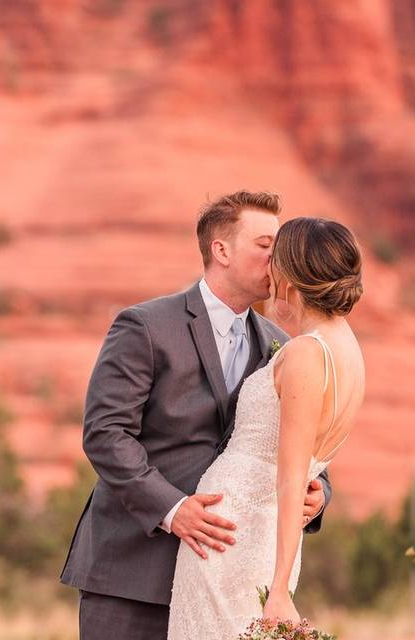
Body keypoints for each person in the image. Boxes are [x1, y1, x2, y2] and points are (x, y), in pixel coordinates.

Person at [59, 191, 332, 640]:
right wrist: (173, 509)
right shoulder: (145, 326)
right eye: (267, 245)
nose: (279, 259)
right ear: (220, 250)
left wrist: (320, 492)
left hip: (228, 584)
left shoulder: (283, 345)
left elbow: (308, 441)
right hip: (133, 574)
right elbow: (106, 434)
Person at [167, 216, 365, 639]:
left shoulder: (306, 355)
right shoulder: (346, 349)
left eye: (274, 259)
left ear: (292, 274)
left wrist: (278, 589)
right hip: (257, 536)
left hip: (230, 537)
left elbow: (292, 474)